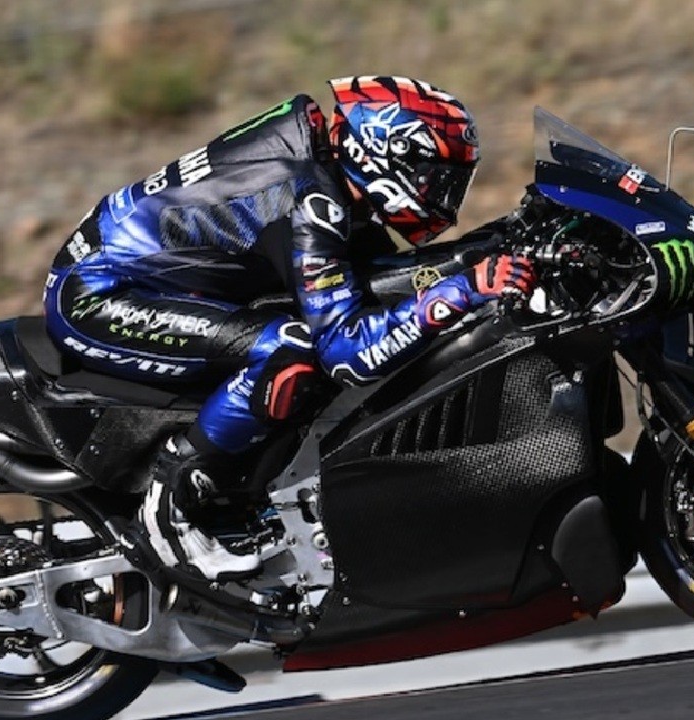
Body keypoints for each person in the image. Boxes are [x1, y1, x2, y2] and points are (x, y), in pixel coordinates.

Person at [43, 75, 535, 581]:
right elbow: (347, 352)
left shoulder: (324, 170)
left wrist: (497, 241)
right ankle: (173, 503)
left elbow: (386, 279)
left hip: (149, 279)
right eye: (434, 178)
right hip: (99, 295)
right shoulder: (312, 199)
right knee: (292, 349)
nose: (441, 195)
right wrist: (461, 292)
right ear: (383, 153)